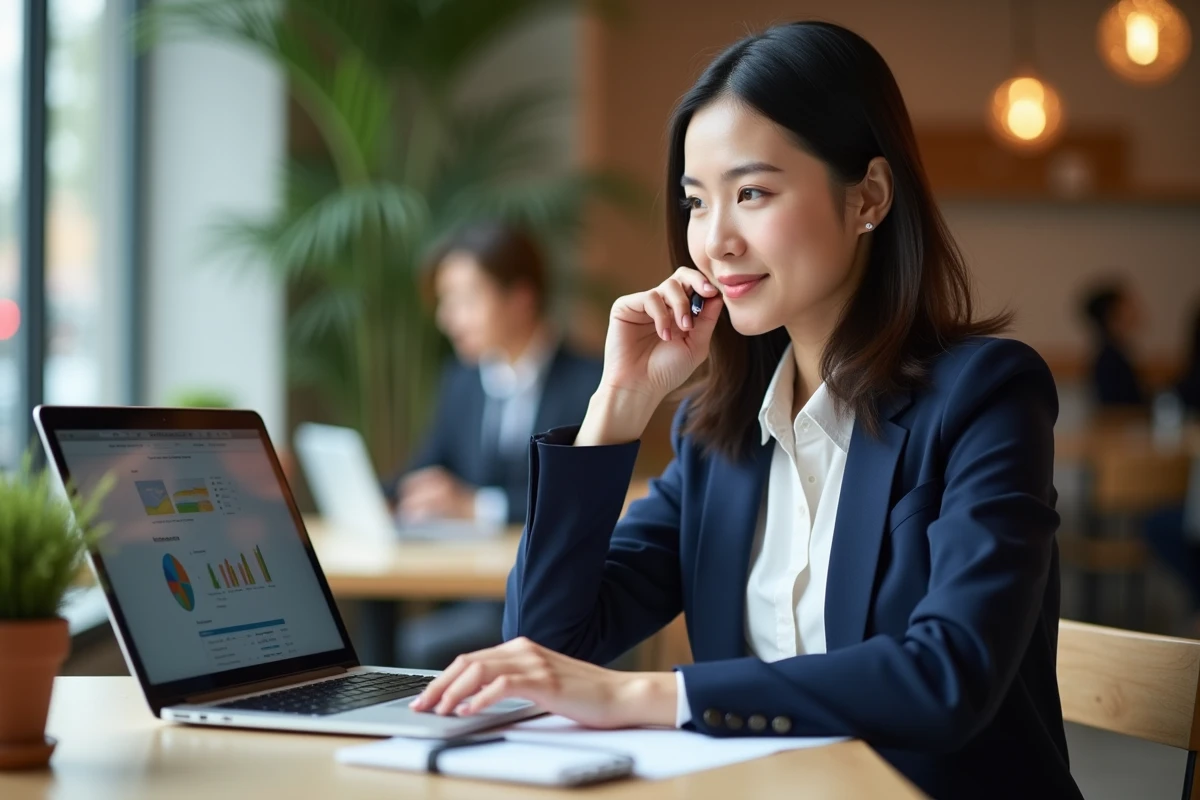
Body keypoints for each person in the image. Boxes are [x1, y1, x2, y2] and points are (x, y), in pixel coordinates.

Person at [411, 21, 1081, 800]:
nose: (715, 241)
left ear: (867, 196)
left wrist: (647, 696)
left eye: (753, 193)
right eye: (697, 203)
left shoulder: (984, 397)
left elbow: (947, 675)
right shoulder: (717, 434)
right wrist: (617, 404)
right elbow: (549, 641)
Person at [384, 221, 602, 668]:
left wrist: (476, 506)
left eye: (465, 300)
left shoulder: (589, 383)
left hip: (540, 593)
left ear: (521, 299)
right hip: (466, 585)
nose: (448, 318)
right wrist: (388, 497)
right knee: (383, 622)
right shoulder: (461, 381)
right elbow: (425, 465)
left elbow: (582, 500)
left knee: (419, 642)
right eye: (446, 302)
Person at [1080, 281, 1145, 408]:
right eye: (1127, 307)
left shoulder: (1116, 353)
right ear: (1112, 316)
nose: (1134, 311)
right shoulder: (1109, 359)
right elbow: (1117, 408)